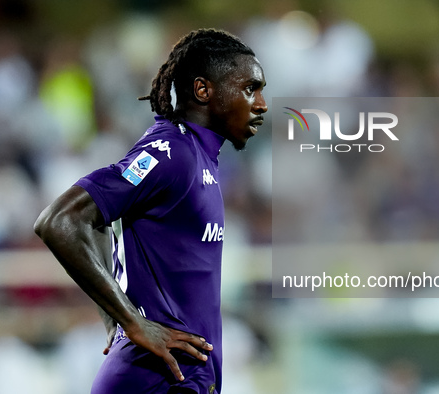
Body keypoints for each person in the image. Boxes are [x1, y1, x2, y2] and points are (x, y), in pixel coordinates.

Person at [34, 28, 267, 394]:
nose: (261, 103)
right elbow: (61, 220)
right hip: (154, 379)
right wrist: (131, 321)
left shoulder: (199, 157)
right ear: (204, 90)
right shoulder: (171, 153)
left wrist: (117, 317)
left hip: (177, 378)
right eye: (250, 88)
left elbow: (98, 225)